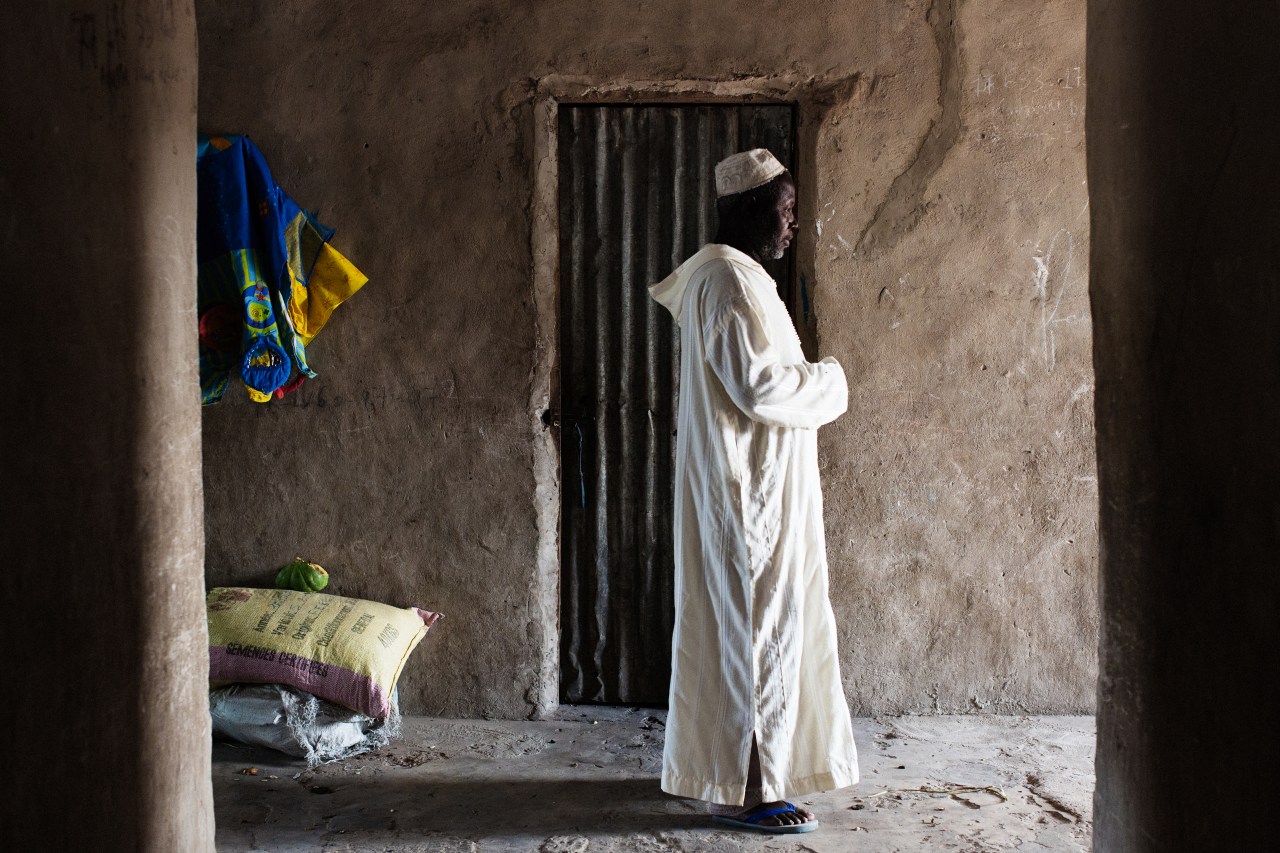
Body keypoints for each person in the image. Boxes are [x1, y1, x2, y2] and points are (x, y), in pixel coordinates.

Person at [648, 149, 859, 834]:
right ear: (745, 210)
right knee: (755, 631)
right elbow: (760, 386)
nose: (794, 221)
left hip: (758, 490)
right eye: (784, 207)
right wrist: (831, 380)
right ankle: (752, 790)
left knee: (754, 630)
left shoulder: (740, 279)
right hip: (749, 498)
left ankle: (741, 774)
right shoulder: (729, 284)